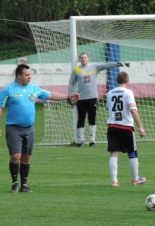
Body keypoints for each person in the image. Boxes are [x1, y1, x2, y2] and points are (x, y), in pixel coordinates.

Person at [0, 64, 79, 193]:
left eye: (30, 75)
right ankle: (14, 184)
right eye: (26, 75)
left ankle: (24, 185)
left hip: (29, 129)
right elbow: (0, 107)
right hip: (13, 128)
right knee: (15, 156)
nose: (29, 77)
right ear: (19, 75)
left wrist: (68, 97)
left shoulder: (34, 88)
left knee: (26, 157)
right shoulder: (8, 90)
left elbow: (51, 95)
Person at [68, 52, 130, 147]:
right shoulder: (76, 70)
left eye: (85, 57)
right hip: (81, 99)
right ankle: (81, 141)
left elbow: (106, 65)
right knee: (81, 119)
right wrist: (70, 95)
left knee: (92, 119)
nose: (83, 59)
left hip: (92, 98)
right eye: (81, 58)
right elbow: (71, 83)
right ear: (79, 59)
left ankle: (92, 140)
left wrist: (119, 63)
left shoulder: (95, 67)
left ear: (88, 58)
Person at [106, 71, 146, 187]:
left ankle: (114, 181)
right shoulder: (128, 92)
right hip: (126, 126)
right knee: (132, 152)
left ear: (116, 81)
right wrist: (140, 127)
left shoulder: (109, 93)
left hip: (112, 126)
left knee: (114, 153)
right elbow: (133, 110)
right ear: (127, 81)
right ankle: (135, 179)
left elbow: (108, 109)